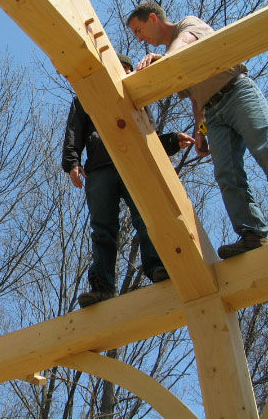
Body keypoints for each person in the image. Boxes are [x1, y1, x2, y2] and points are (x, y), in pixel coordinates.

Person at [127, 1, 268, 258]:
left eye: (139, 30)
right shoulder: (171, 57)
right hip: (213, 114)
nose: (140, 38)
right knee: (227, 174)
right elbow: (195, 98)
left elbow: (186, 42)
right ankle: (252, 234)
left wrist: (165, 60)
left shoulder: (188, 24)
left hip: (237, 92)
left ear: (153, 18)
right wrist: (200, 130)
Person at [63, 53, 195, 307]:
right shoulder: (86, 97)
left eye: (126, 69)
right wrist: (72, 163)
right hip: (100, 168)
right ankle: (102, 287)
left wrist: (170, 141)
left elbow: (150, 136)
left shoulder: (137, 95)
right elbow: (74, 131)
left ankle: (158, 267)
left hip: (134, 163)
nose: (122, 73)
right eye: (118, 68)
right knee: (102, 229)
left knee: (147, 218)